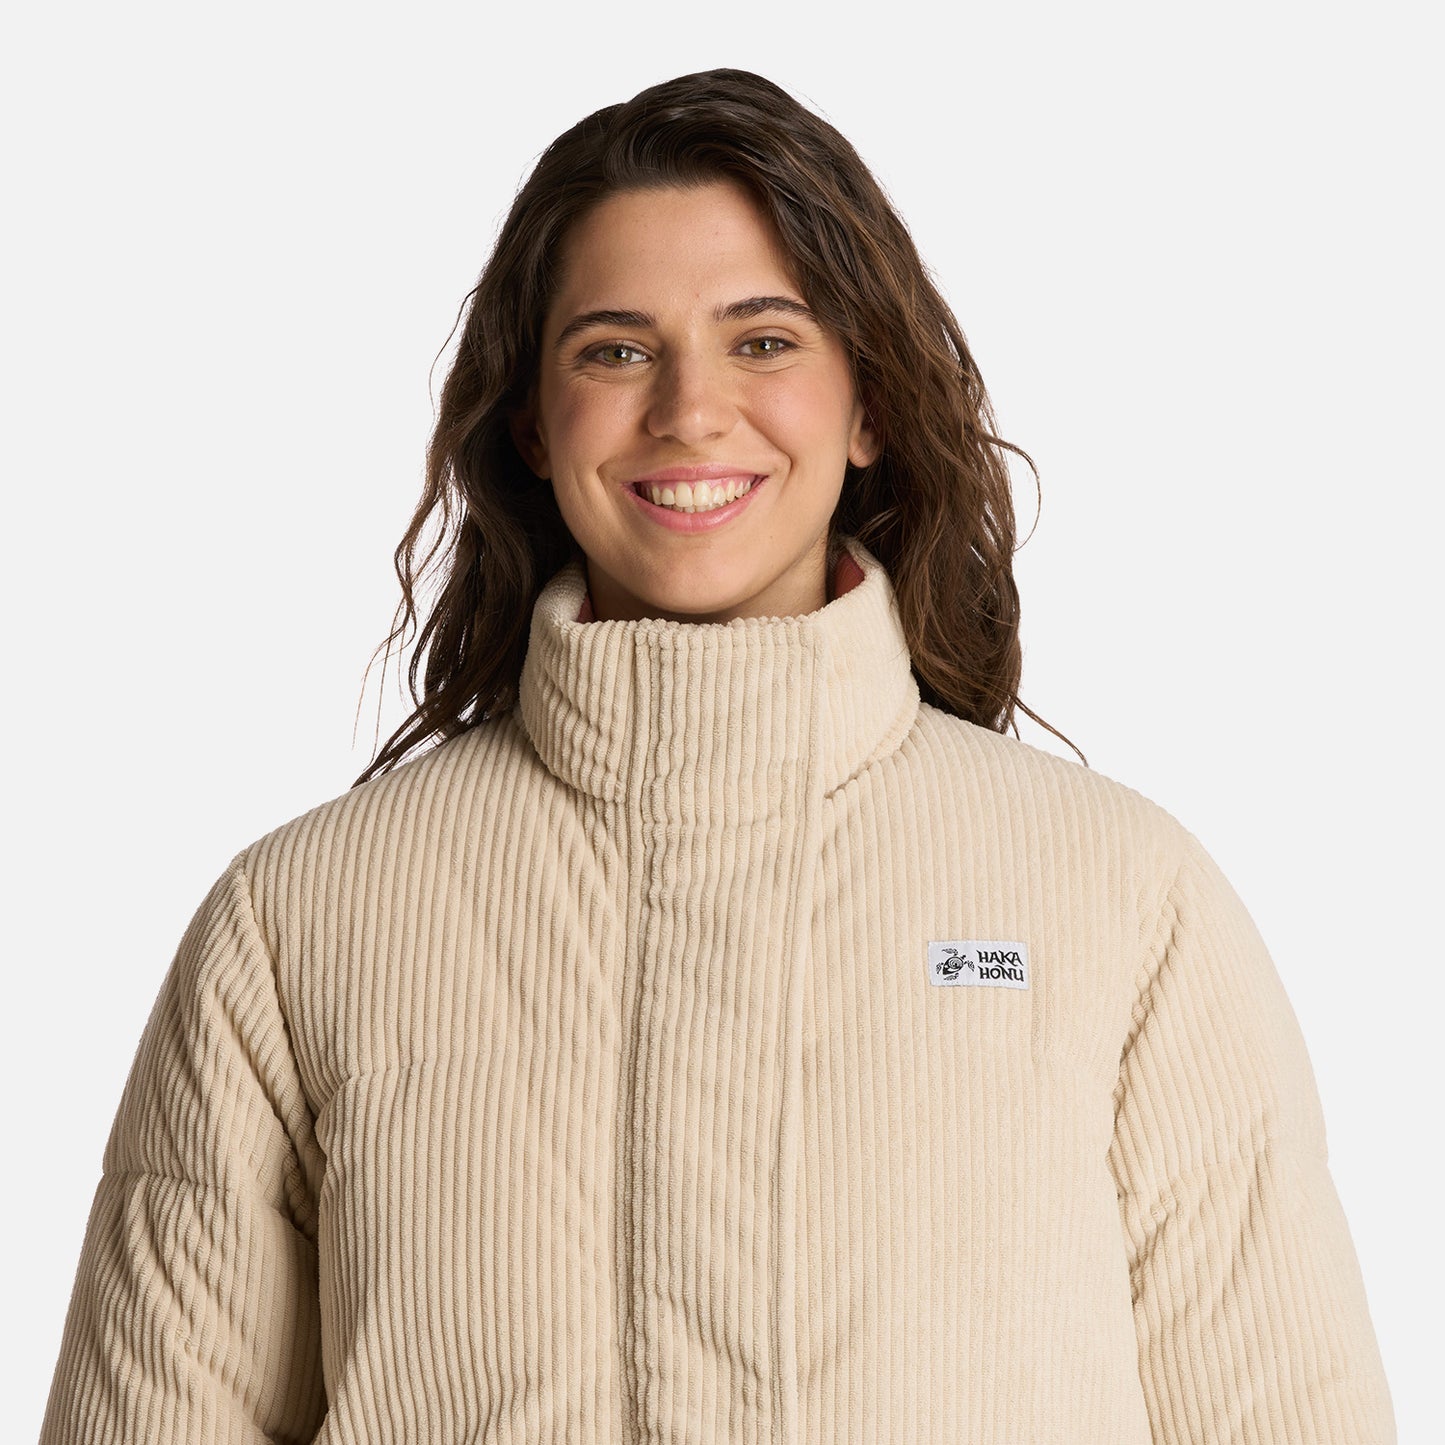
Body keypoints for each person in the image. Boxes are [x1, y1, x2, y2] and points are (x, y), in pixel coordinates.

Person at [39, 68, 1395, 1444]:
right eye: (614, 351)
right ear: (533, 420)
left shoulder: (1120, 898)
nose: (691, 410)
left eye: (763, 341)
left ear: (866, 407)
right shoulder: (302, 922)